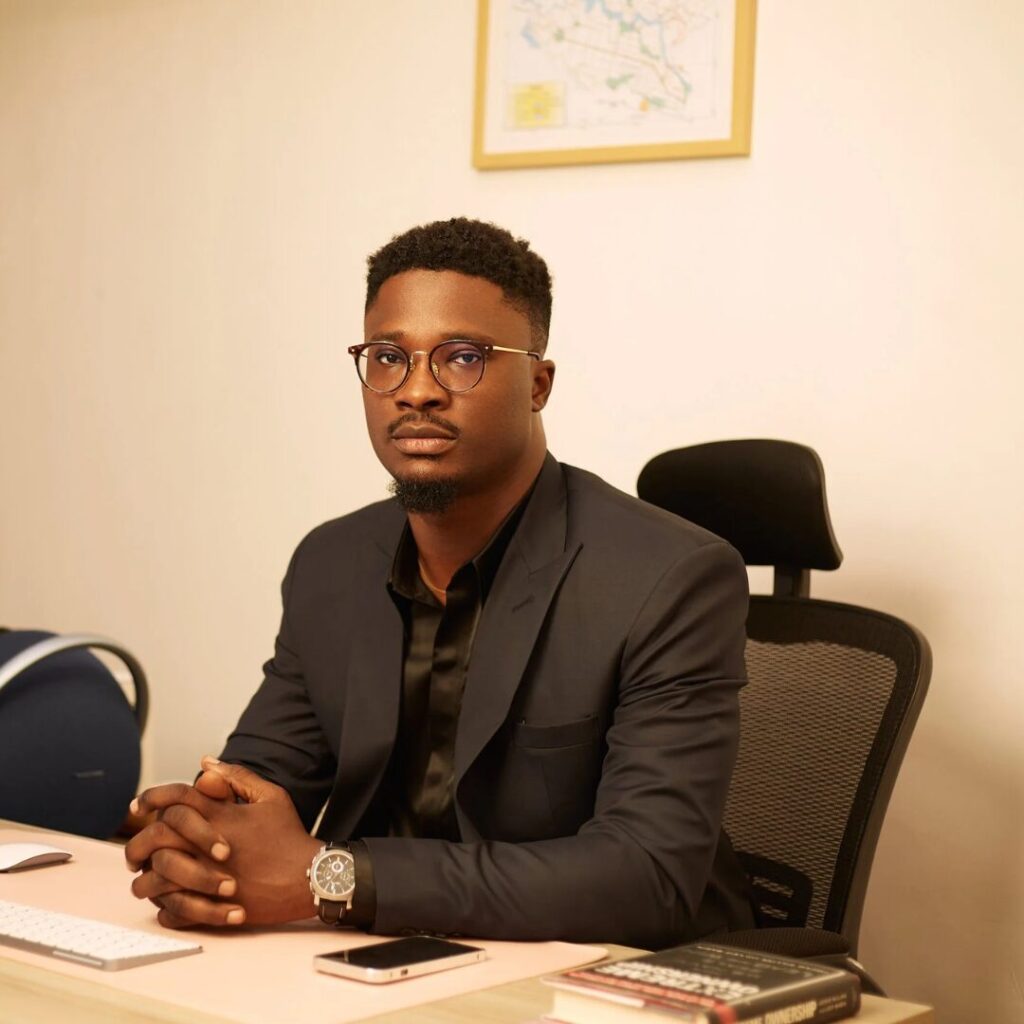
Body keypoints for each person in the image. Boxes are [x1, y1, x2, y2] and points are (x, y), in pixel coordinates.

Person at [125, 217, 754, 948]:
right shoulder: (331, 561)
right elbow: (254, 789)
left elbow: (647, 878)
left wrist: (333, 879)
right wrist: (197, 840)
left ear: (538, 384)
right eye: (389, 357)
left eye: (462, 358)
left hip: (592, 974)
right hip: (369, 961)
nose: (416, 391)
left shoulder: (668, 577)